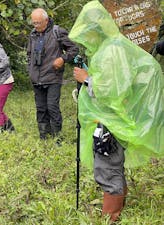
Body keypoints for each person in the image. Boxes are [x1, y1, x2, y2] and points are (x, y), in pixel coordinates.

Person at [69, 1, 164, 223]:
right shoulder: (109, 46)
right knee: (111, 165)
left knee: (108, 166)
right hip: (109, 118)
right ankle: (116, 207)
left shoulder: (111, 50)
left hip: (111, 121)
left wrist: (86, 79)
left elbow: (114, 89)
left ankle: (110, 217)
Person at [27, 8, 79, 143]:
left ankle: (57, 138)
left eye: (38, 23)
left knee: (52, 107)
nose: (36, 26)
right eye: (34, 23)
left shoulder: (57, 31)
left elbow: (73, 49)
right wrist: (30, 70)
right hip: (36, 78)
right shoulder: (32, 34)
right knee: (41, 108)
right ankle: (44, 137)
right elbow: (29, 54)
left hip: (53, 77)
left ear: (46, 20)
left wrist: (63, 58)